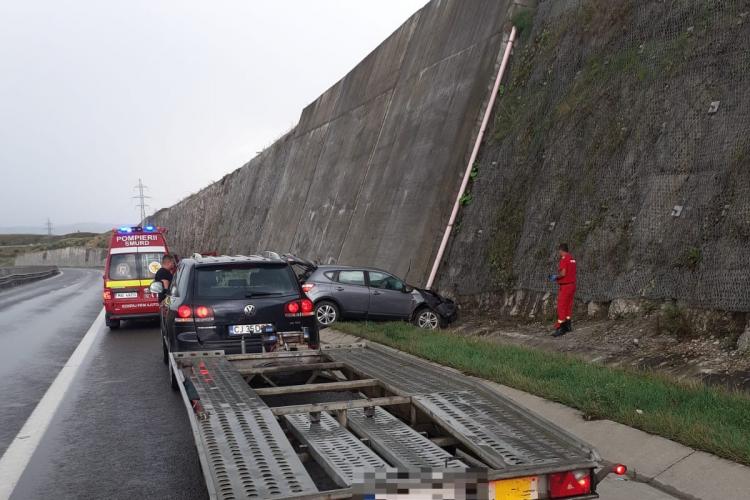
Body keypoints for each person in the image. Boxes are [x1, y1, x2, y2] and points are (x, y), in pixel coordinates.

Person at [549, 243, 577, 337]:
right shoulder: (572, 259)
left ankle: (561, 328)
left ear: (561, 250)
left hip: (565, 286)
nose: (559, 253)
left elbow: (563, 273)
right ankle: (568, 326)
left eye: (559, 251)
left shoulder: (564, 259)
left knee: (561, 306)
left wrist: (556, 277)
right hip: (572, 285)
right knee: (568, 306)